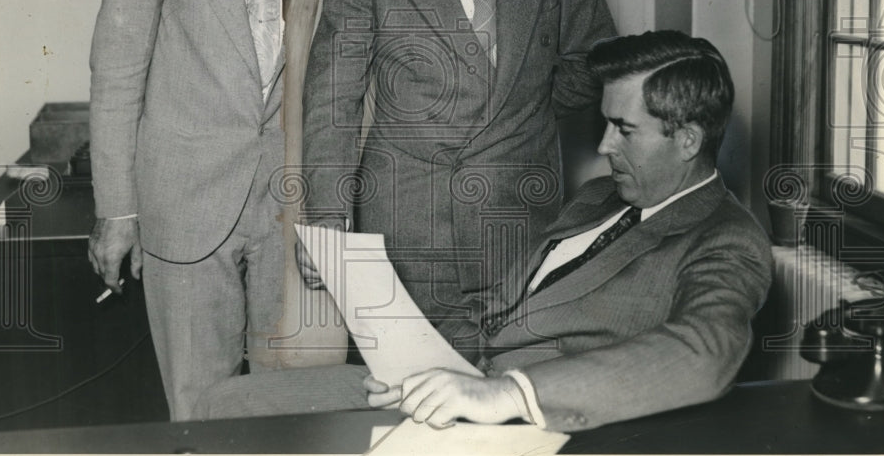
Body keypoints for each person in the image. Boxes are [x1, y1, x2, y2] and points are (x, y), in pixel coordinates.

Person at [196, 30, 773, 432]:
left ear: (689, 138)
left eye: (624, 129)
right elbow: (500, 308)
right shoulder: (600, 198)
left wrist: (506, 394)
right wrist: (416, 369)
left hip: (531, 419)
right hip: (452, 384)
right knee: (223, 404)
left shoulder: (726, 237)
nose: (602, 146)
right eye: (604, 125)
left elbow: (707, 350)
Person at [299, 0, 616, 329]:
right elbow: (333, 100)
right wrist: (326, 219)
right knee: (411, 396)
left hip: (522, 221)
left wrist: (519, 109)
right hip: (408, 230)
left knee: (519, 387)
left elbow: (589, 63)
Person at [87, 0, 286, 420]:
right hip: (184, 200)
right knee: (201, 414)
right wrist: (117, 212)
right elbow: (117, 70)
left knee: (302, 415)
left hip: (300, 204)